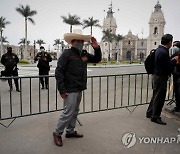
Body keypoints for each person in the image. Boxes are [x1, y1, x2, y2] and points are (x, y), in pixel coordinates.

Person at [53, 29, 102, 147]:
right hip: (69, 89)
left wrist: (96, 48)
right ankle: (57, 132)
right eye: (78, 40)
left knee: (75, 111)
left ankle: (70, 131)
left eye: (82, 40)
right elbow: (59, 72)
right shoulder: (67, 54)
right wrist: (62, 90)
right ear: (72, 42)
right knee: (68, 112)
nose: (80, 42)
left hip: (79, 87)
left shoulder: (84, 54)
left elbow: (97, 59)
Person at [146, 34, 179, 125]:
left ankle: (150, 112)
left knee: (155, 95)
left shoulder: (159, 50)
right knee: (159, 97)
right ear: (169, 42)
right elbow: (167, 67)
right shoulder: (163, 52)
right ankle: (155, 116)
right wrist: (174, 60)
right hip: (160, 77)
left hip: (156, 75)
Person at [171, 41, 180, 112]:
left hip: (178, 75)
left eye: (176, 46)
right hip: (175, 75)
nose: (174, 47)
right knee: (176, 91)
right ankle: (178, 106)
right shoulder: (175, 55)